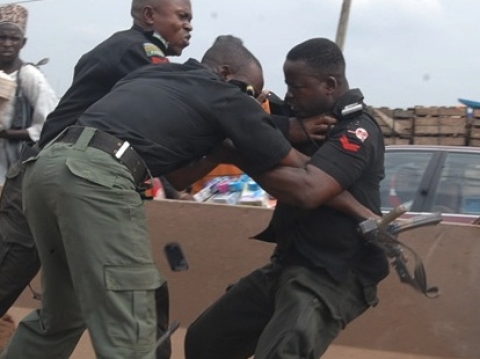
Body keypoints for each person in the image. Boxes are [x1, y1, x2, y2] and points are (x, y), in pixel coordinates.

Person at [0, 35, 376, 359]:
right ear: (227, 74)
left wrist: (227, 151)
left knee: (62, 314)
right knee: (132, 315)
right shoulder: (223, 94)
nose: (256, 100)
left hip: (44, 169)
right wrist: (359, 208)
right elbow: (302, 176)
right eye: (251, 91)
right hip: (96, 180)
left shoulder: (155, 73)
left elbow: (180, 173)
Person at [0, 0, 192, 357]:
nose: (189, 27)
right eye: (182, 17)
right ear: (149, 15)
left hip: (70, 182)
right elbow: (176, 93)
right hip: (56, 174)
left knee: (70, 306)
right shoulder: (137, 50)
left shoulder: (121, 49)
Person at [184, 38, 388, 359]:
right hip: (289, 263)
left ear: (330, 85)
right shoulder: (301, 119)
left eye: (298, 86)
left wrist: (236, 153)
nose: (290, 94)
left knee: (282, 353)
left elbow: (309, 191)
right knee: (207, 341)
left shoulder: (355, 130)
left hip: (333, 273)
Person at [0, 3, 57, 184]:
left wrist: (6, 133)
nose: (7, 44)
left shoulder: (30, 76)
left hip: (17, 167)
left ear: (23, 43)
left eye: (14, 38)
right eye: (2, 37)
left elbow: (48, 125)